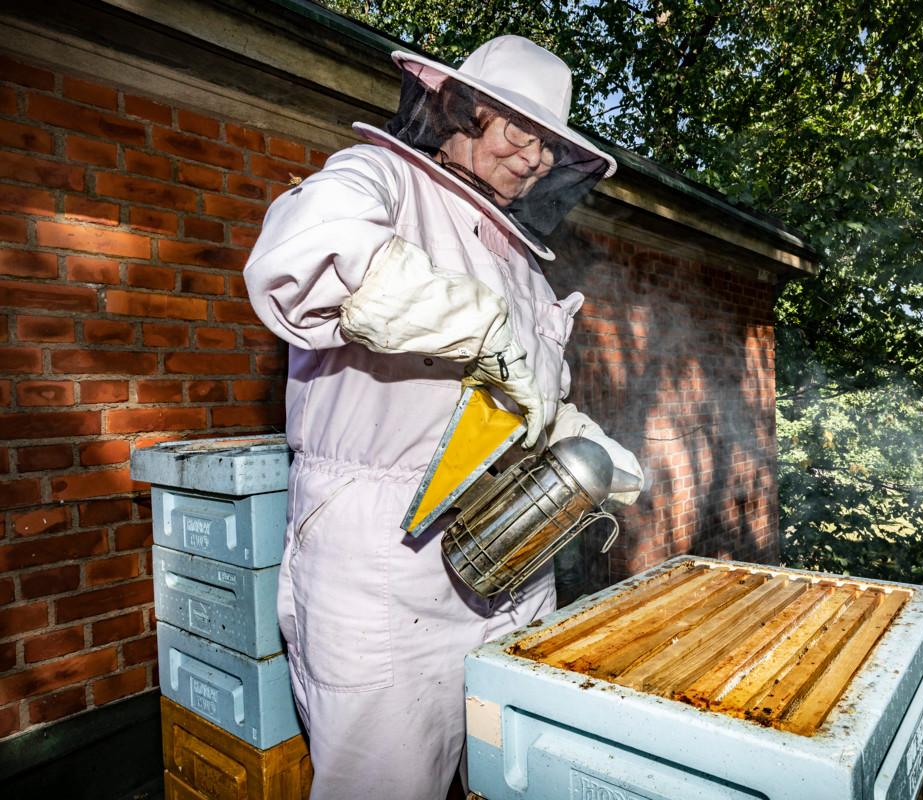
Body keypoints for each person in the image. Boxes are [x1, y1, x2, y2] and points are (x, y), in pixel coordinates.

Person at [244, 36, 644, 800]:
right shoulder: (382, 179)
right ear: (464, 107)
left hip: (511, 555)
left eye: (549, 149)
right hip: (380, 561)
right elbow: (302, 254)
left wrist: (575, 438)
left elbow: (519, 402)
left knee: (508, 776)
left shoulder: (525, 261)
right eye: (519, 133)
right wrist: (480, 327)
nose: (532, 160)